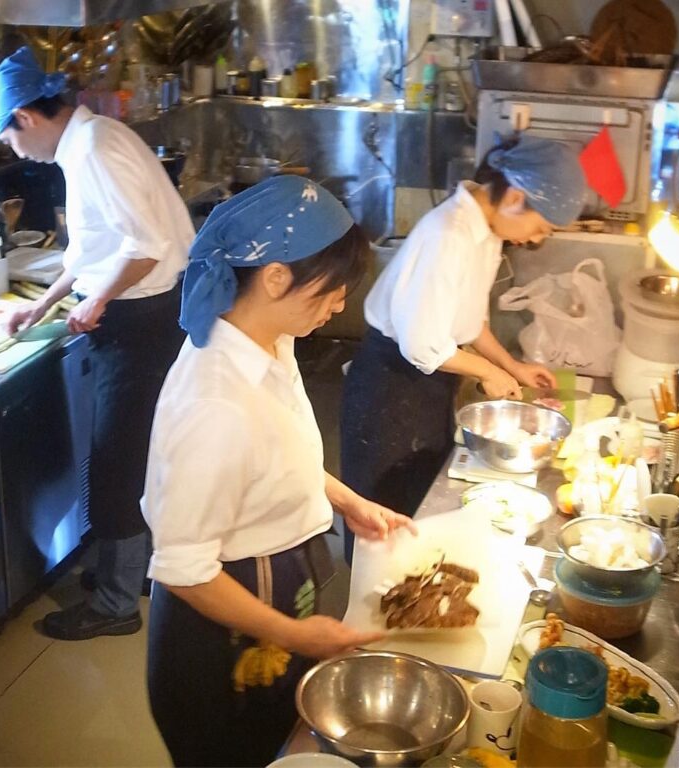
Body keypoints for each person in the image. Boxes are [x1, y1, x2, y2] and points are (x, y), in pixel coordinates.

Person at [142, 175, 416, 768]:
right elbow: (183, 568)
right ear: (274, 277)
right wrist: (295, 635)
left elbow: (275, 453)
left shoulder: (268, 340)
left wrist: (347, 500)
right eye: (332, 289)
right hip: (223, 641)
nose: (340, 304)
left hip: (278, 593)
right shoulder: (215, 402)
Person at [0, 47, 195, 640]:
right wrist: (45, 303)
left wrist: (98, 301)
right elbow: (95, 249)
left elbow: (148, 246)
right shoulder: (91, 141)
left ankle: (115, 604)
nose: (15, 152)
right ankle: (133, 569)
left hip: (142, 322)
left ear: (26, 117)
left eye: (9, 139)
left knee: (117, 463)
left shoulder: (96, 149)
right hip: (142, 315)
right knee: (137, 455)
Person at [340, 134, 587, 560]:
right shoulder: (448, 234)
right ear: (515, 197)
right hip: (389, 389)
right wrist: (488, 372)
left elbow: (469, 322)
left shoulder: (487, 232)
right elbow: (422, 346)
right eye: (541, 227)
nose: (535, 239)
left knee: (418, 516)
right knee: (381, 525)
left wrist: (511, 366)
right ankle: (367, 596)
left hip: (429, 386)